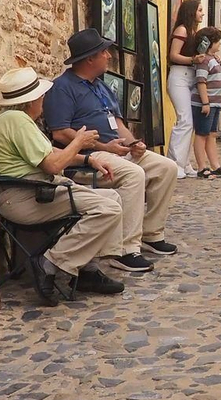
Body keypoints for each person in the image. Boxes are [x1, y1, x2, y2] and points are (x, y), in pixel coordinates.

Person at [41, 29, 180, 271]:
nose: (109, 55)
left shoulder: (101, 86)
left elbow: (118, 124)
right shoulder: (61, 88)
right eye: (103, 52)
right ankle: (124, 249)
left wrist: (132, 144)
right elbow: (60, 133)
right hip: (88, 156)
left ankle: (151, 233)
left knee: (166, 167)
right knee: (133, 175)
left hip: (115, 149)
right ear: (89, 59)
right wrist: (104, 146)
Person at [0, 66, 128, 298]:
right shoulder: (17, 121)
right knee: (109, 209)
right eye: (41, 96)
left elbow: (48, 152)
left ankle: (88, 270)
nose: (43, 100)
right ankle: (51, 263)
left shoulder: (8, 120)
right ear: (31, 100)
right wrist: (80, 141)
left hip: (30, 194)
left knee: (112, 197)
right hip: (28, 197)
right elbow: (52, 165)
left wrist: (88, 159)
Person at [167, 0, 204, 176]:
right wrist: (192, 60)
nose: (202, 14)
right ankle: (174, 163)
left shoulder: (192, 31)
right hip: (179, 76)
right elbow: (173, 55)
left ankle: (184, 162)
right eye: (200, 10)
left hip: (189, 76)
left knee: (190, 121)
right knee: (184, 119)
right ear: (191, 12)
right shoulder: (182, 30)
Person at [188, 27, 221, 179]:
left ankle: (215, 164)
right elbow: (201, 82)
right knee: (201, 134)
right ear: (209, 43)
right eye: (217, 42)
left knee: (211, 134)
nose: (219, 45)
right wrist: (205, 103)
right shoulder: (204, 61)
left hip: (215, 104)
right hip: (205, 104)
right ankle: (201, 166)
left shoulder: (212, 59)